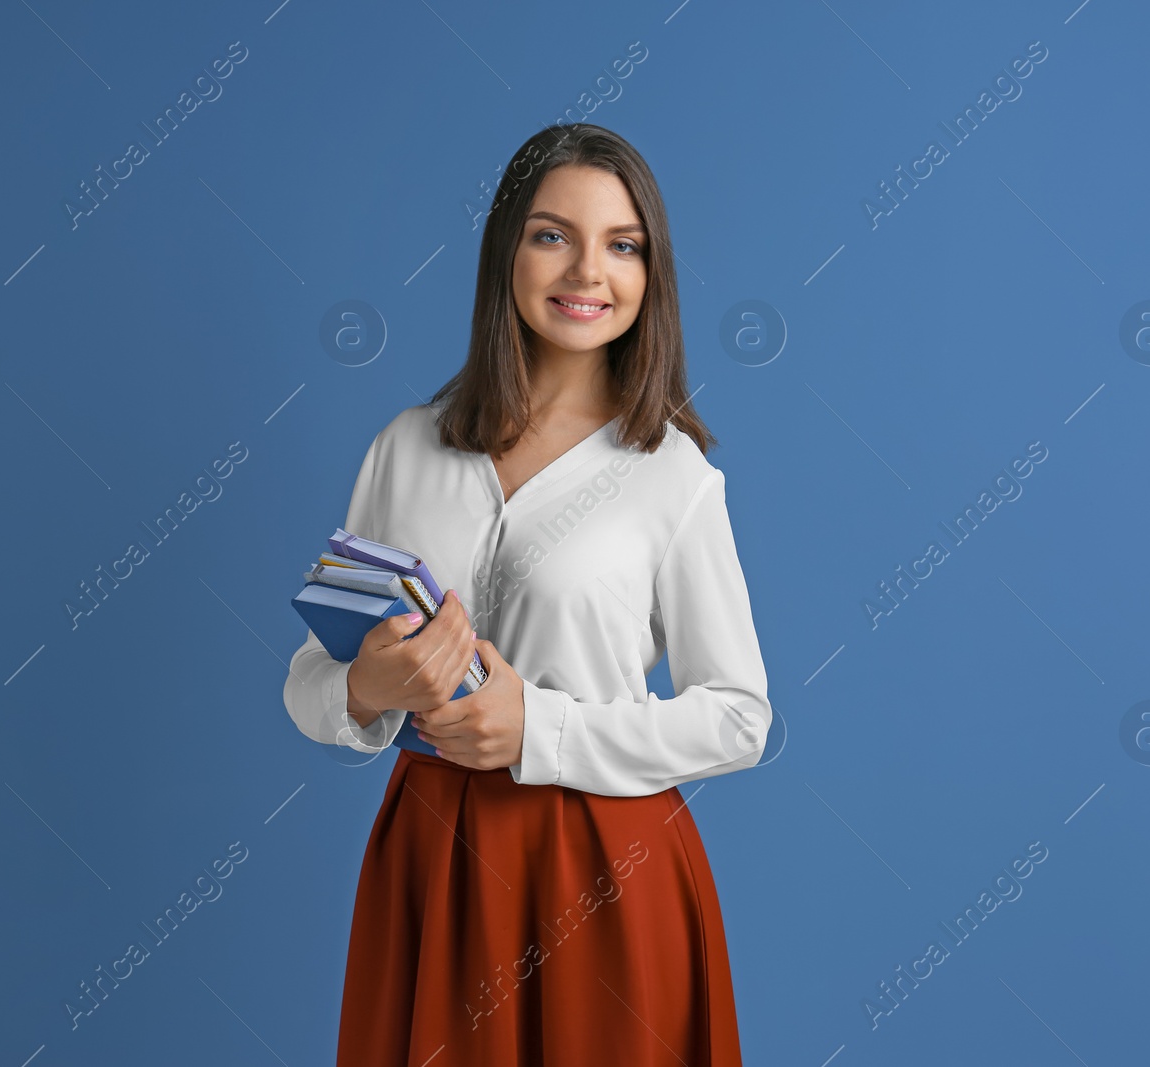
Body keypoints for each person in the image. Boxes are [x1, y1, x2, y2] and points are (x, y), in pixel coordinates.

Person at [283, 122, 772, 1066]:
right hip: (433, 865)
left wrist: (538, 730)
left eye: (622, 245)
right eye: (554, 234)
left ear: (651, 272)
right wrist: (367, 691)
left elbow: (740, 718)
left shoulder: (674, 475)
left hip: (606, 868)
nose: (589, 270)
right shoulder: (406, 447)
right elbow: (313, 678)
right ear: (505, 250)